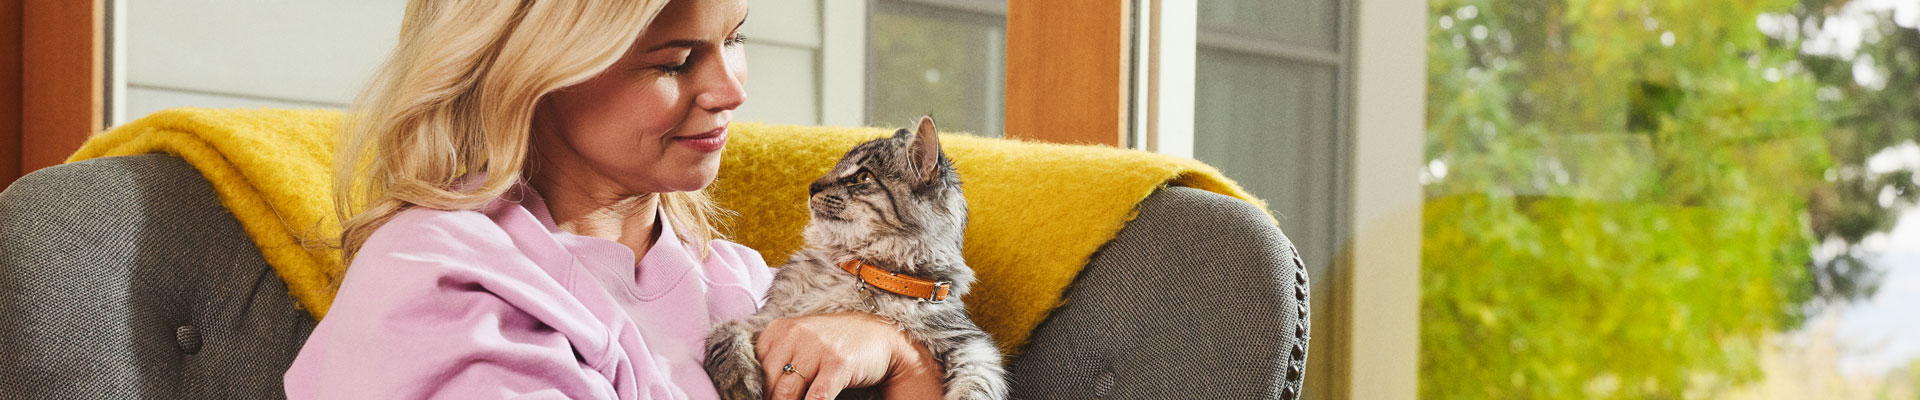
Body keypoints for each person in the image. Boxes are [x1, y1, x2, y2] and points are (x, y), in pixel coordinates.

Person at [283, 0, 945, 398]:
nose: (731, 90)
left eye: (735, 37)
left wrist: (892, 349)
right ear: (537, 70)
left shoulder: (735, 282)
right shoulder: (440, 283)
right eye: (677, 60)